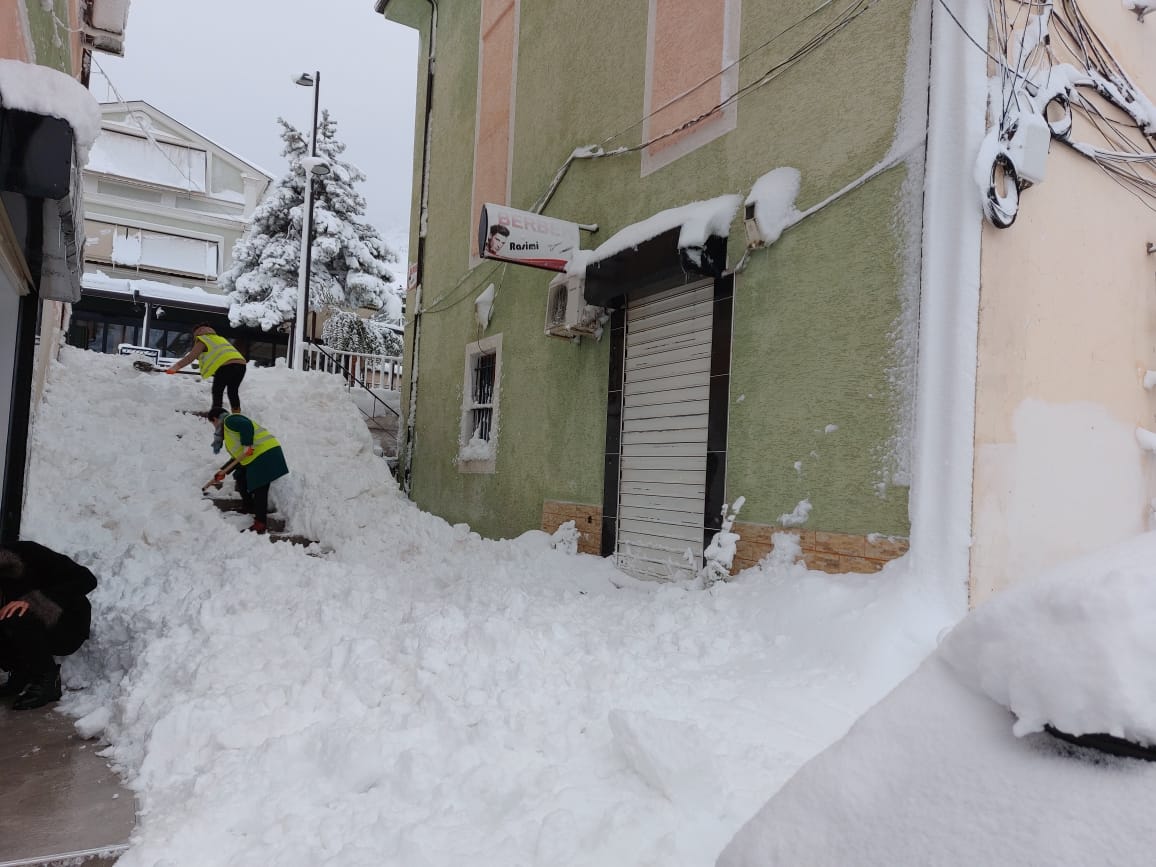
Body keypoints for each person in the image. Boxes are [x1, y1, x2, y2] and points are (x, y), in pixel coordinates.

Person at [0, 541, 97, 711]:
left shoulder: (27, 552)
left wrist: (33, 601)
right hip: (29, 627)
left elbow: (87, 579)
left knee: (17, 613)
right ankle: (21, 672)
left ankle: (48, 681)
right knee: (11, 616)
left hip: (68, 626)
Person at [208, 408, 289, 535]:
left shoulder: (230, 420)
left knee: (259, 486)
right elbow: (238, 457)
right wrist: (223, 471)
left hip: (264, 453)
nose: (214, 427)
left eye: (212, 423)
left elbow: (246, 426)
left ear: (215, 419)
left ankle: (260, 524)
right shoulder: (229, 430)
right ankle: (249, 506)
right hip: (258, 455)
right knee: (240, 475)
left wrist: (247, 445)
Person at [166, 324, 247, 414]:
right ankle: (236, 414)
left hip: (227, 366)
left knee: (217, 391)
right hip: (241, 365)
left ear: (197, 332)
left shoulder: (203, 339)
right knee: (232, 391)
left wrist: (175, 367)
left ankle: (216, 414)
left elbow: (191, 357)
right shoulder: (219, 339)